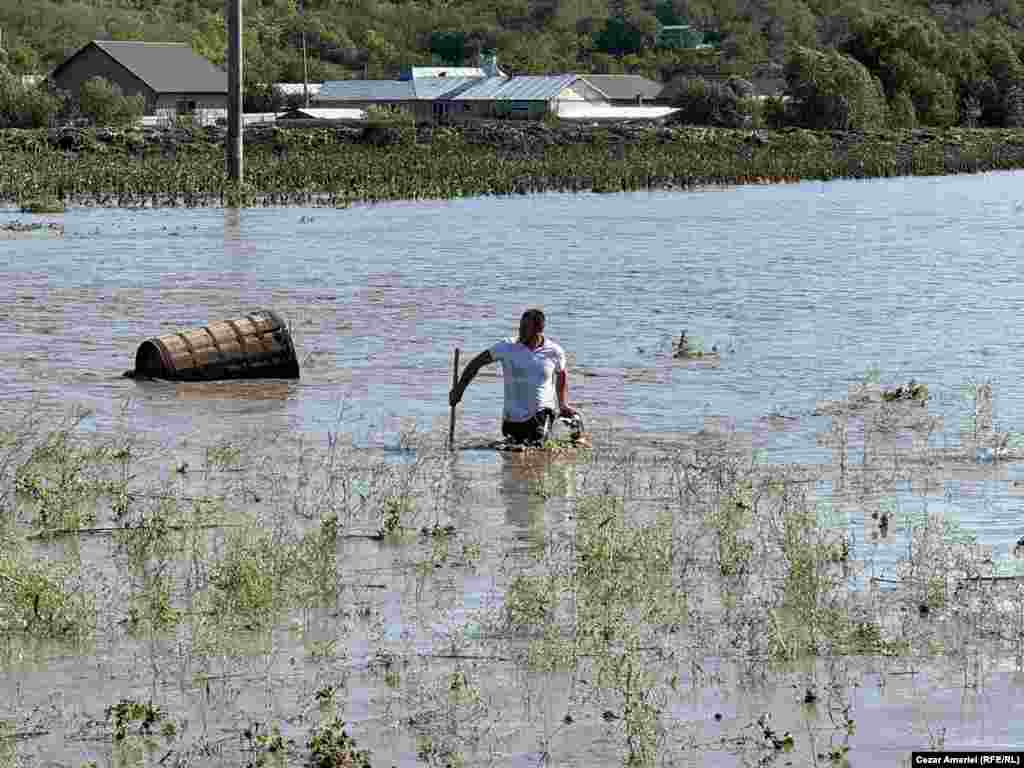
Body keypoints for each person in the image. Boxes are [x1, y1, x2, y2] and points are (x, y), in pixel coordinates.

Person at [449, 308, 576, 445]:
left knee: (539, 441)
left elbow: (561, 374)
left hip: (542, 412)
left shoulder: (554, 351)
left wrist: (562, 404)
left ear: (539, 329)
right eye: (520, 326)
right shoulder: (507, 347)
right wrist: (459, 389)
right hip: (512, 420)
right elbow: (476, 363)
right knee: (514, 449)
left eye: (525, 328)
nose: (520, 331)